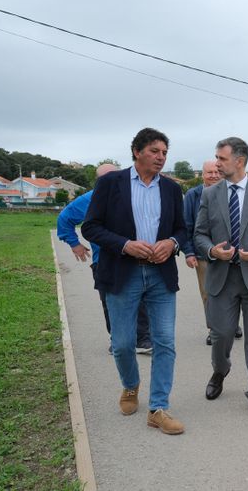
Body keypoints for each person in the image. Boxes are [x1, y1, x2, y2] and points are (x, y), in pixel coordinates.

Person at [81, 127, 187, 435]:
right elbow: (91, 227)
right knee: (123, 343)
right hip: (121, 273)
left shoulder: (170, 189)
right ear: (137, 151)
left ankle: (158, 408)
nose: (161, 157)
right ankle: (130, 385)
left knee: (164, 341)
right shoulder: (110, 184)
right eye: (155, 151)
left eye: (165, 153)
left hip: (160, 274)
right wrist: (125, 244)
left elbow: (182, 229)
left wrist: (172, 243)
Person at [193, 137, 248, 418]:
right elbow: (199, 233)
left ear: (239, 161)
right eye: (217, 158)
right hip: (222, 277)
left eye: (221, 158)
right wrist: (211, 251)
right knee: (220, 335)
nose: (217, 163)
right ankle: (220, 371)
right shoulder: (209, 194)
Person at [57, 162, 152, 355]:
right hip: (104, 260)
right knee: (111, 300)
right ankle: (117, 339)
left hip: (135, 258)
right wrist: (74, 243)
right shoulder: (89, 199)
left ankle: (142, 338)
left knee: (141, 298)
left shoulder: (136, 195)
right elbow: (64, 219)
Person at [181, 160, 242, 345]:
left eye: (217, 172)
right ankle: (213, 329)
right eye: (209, 173)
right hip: (203, 254)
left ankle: (232, 324)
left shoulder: (232, 191)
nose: (214, 175)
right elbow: (187, 226)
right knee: (209, 293)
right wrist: (189, 253)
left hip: (231, 252)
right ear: (202, 175)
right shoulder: (193, 195)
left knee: (233, 291)